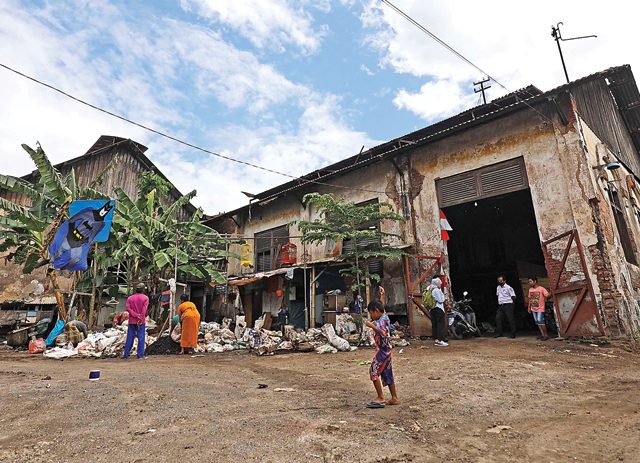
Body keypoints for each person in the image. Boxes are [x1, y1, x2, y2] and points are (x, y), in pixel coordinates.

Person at [365, 300, 400, 408]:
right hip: (387, 350)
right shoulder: (385, 317)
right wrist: (382, 296)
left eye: (371, 313)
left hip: (383, 352)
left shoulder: (380, 322)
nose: (371, 316)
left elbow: (383, 332)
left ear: (375, 311)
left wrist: (372, 326)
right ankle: (394, 398)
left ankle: (380, 397)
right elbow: (382, 308)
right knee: (387, 373)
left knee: (373, 371)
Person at [124, 283, 149, 359]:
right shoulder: (145, 298)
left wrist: (135, 315)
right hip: (141, 321)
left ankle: (126, 354)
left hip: (132, 321)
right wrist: (140, 317)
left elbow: (128, 308)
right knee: (141, 338)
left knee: (130, 337)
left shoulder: (130, 298)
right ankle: (140, 355)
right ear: (143, 290)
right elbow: (144, 311)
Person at [528, 277, 551, 341]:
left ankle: (546, 335)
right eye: (529, 282)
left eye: (530, 281)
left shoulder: (541, 288)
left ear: (535, 281)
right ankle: (542, 335)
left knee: (540, 321)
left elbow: (547, 296)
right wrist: (529, 307)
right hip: (533, 308)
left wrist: (551, 292)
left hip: (540, 308)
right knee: (537, 322)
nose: (529, 283)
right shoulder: (530, 290)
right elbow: (530, 299)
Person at [428, 277, 448, 347]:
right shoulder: (436, 290)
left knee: (435, 324)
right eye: (440, 284)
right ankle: (440, 340)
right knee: (440, 324)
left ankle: (436, 339)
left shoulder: (429, 288)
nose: (440, 285)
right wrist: (444, 297)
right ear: (437, 284)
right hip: (438, 308)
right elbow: (440, 300)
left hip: (432, 309)